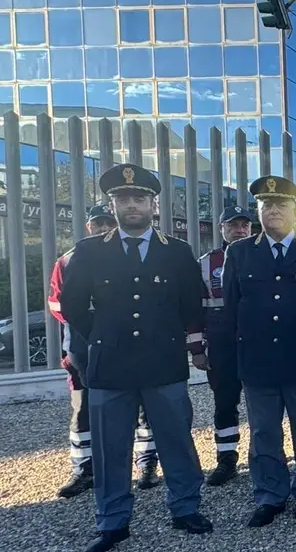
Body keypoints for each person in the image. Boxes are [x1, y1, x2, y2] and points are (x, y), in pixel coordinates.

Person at [60, 164, 211, 552]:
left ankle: (184, 507)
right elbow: (73, 304)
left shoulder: (176, 252)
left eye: (139, 198)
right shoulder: (90, 251)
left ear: (153, 204)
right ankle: (113, 522)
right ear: (112, 204)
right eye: (123, 198)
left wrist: (187, 343)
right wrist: (101, 334)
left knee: (176, 440)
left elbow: (190, 302)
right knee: (112, 448)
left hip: (163, 362)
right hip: (110, 365)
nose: (132, 205)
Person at [219, 175, 296, 527]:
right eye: (266, 205)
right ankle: (270, 495)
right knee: (264, 434)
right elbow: (232, 308)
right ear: (258, 210)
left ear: (295, 209)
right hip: (259, 362)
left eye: (281, 204)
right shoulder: (240, 252)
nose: (273, 210)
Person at [48, 204, 162, 499]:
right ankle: (84, 468)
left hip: (127, 347)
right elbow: (58, 305)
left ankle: (146, 462)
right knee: (83, 410)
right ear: (88, 227)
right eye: (97, 223)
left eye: (106, 223)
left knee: (142, 409)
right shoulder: (70, 259)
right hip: (82, 349)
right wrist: (97, 327)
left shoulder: (130, 256)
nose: (102, 228)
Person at [191, 205, 253, 487]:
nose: (239, 230)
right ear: (221, 229)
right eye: (233, 226)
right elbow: (194, 309)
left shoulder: (259, 256)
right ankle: (226, 458)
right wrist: (197, 349)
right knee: (225, 401)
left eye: (244, 225)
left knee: (262, 401)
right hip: (221, 342)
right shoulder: (206, 263)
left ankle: (263, 455)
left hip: (255, 340)